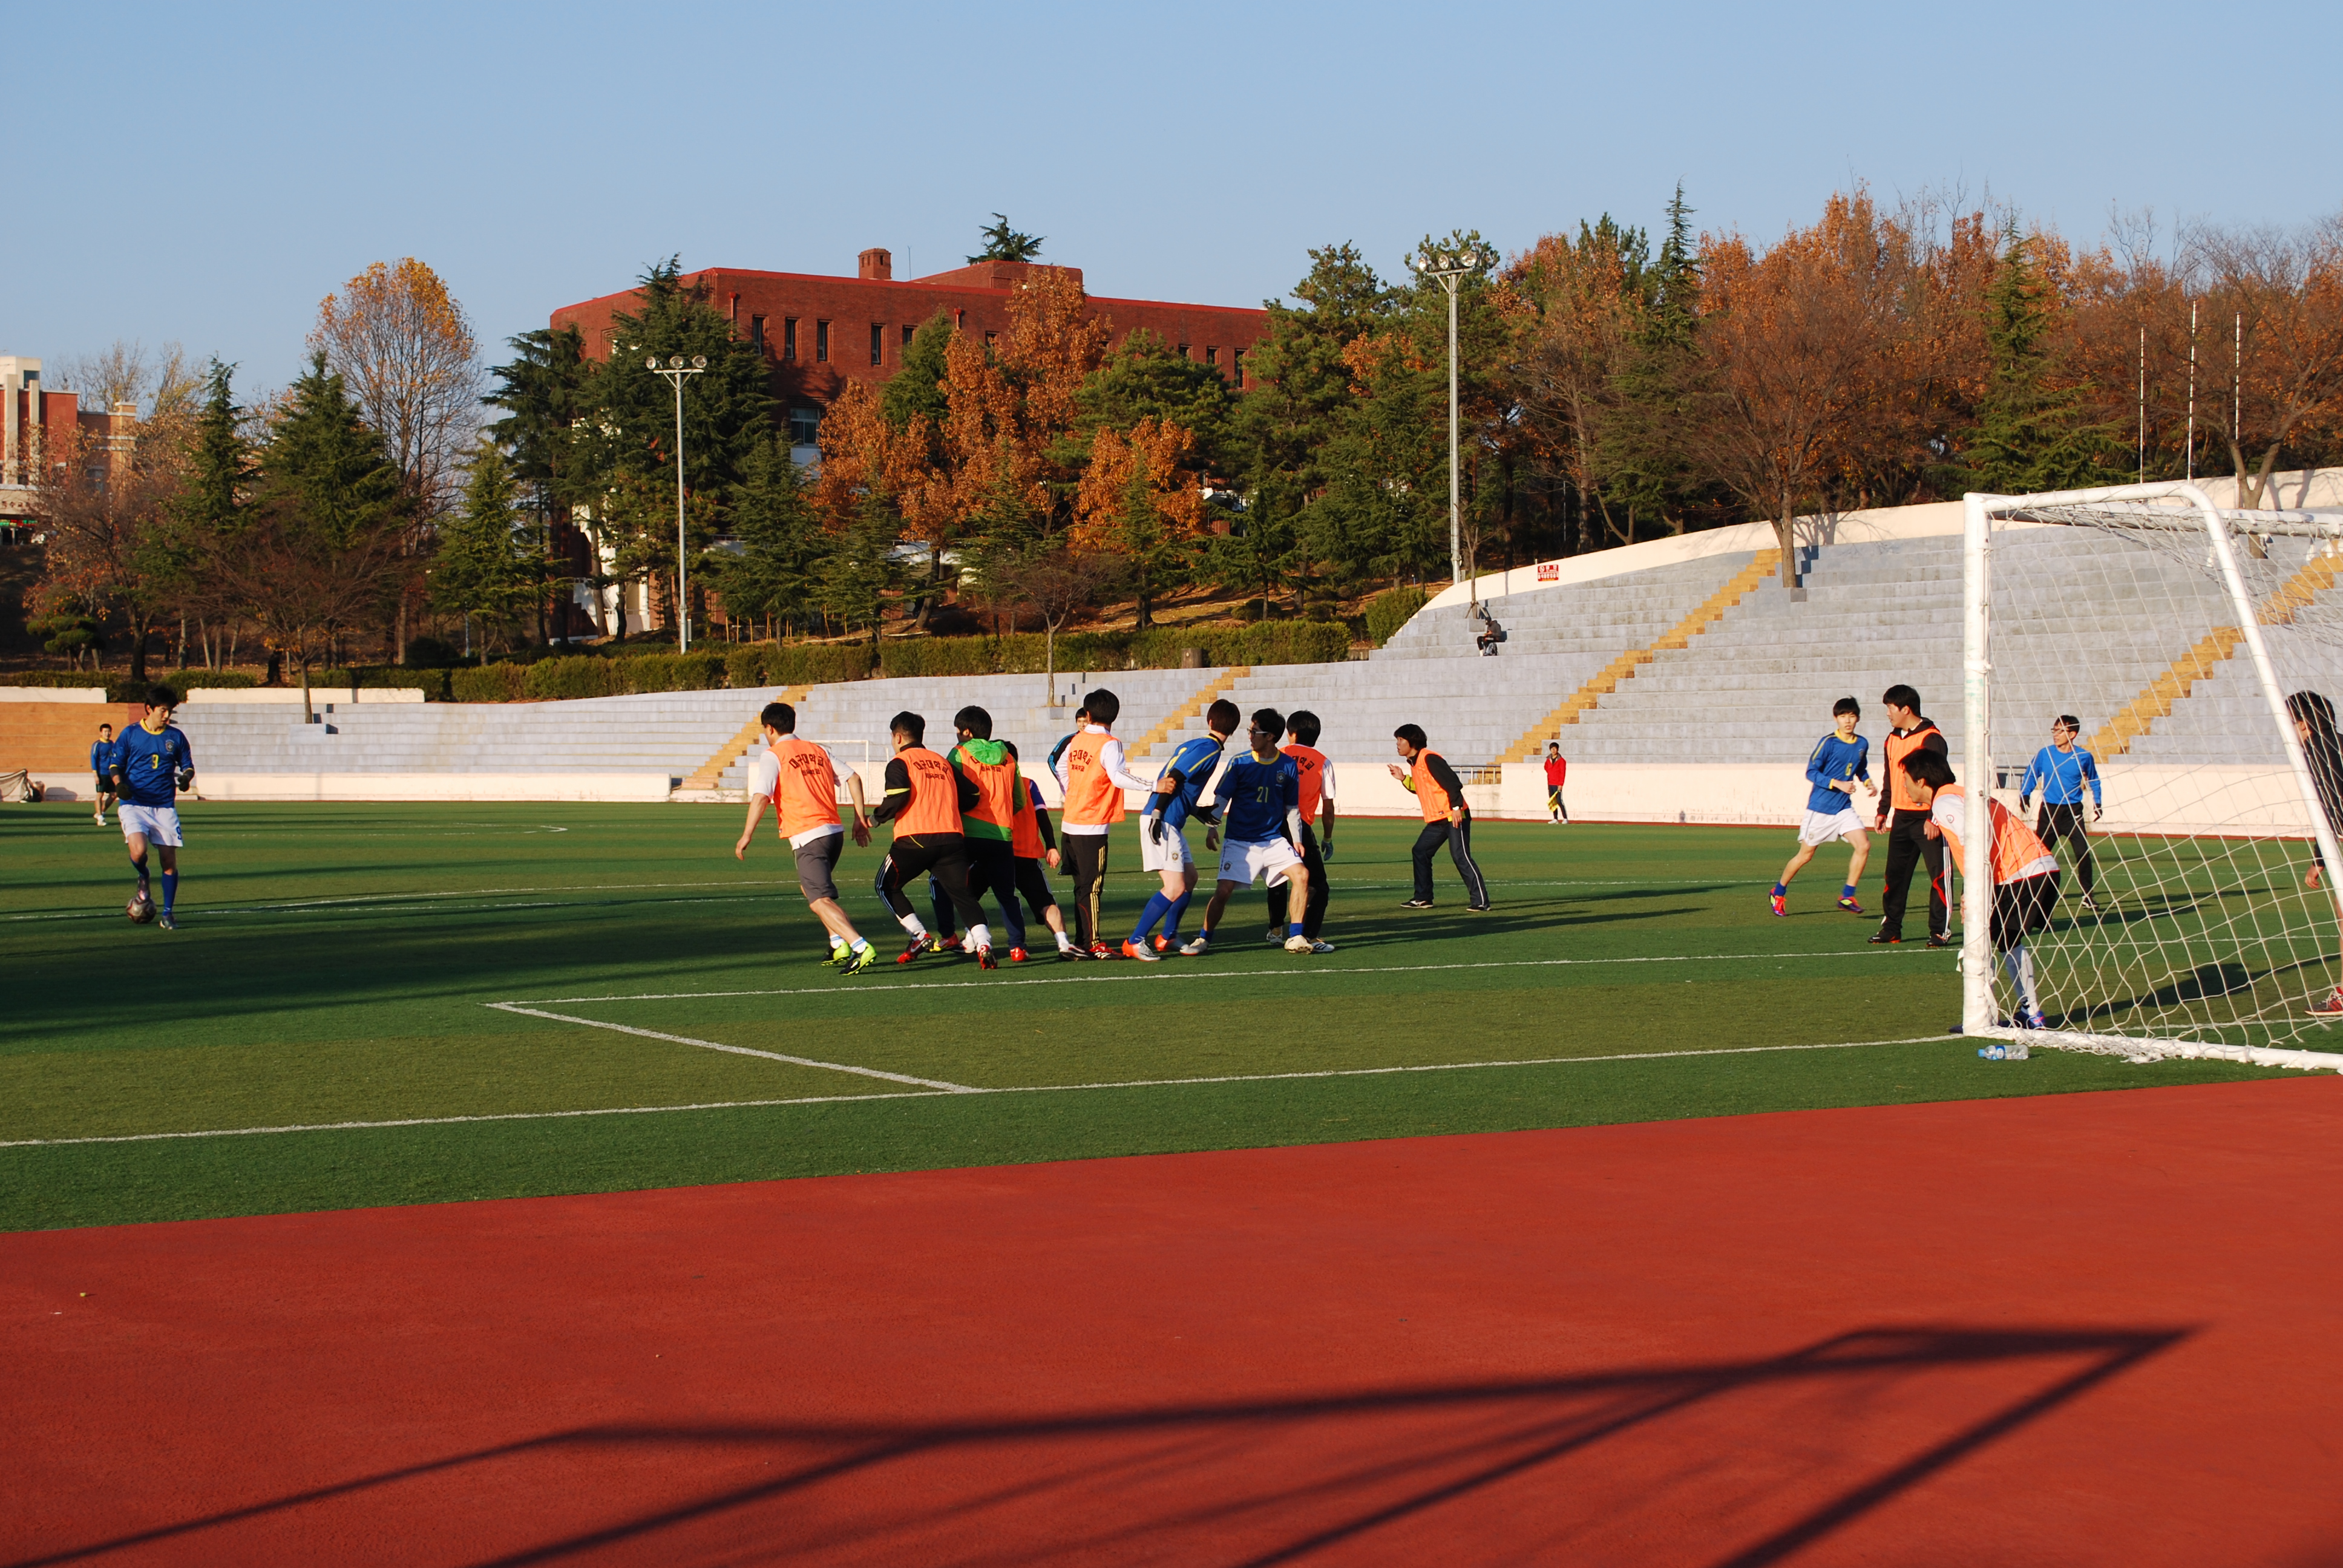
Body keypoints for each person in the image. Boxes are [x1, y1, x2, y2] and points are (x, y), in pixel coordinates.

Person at [1900, 749, 2060, 1042]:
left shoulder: (1945, 802)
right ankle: (2029, 1013)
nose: (1905, 786)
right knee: (2005, 941)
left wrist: (1975, 893)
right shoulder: (1959, 795)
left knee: (1983, 939)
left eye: (1906, 779)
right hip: (2035, 866)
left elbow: (1978, 839)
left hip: (2019, 871)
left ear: (1921, 781)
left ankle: (1986, 1015)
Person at [733, 700, 879, 976]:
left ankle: (859, 946)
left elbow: (762, 796)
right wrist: (859, 819)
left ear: (770, 728)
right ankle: (837, 943)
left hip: (809, 835)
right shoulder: (818, 750)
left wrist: (746, 835)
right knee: (810, 889)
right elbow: (854, 778)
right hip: (833, 832)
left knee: (819, 900)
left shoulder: (773, 755)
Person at [1178, 708, 1319, 956]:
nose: (1250, 736)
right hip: (1239, 841)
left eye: (1255, 732)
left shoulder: (1287, 766)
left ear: (1271, 737)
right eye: (1250, 731)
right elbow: (1221, 799)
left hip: (1273, 840)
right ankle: (1204, 938)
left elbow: (1292, 808)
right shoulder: (1240, 762)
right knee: (1223, 891)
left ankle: (1296, 936)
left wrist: (1297, 840)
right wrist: (1212, 828)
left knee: (1303, 875)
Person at [944, 706, 1075, 964]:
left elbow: (952, 790)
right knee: (1009, 897)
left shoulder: (960, 753)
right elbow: (1022, 803)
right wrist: (1048, 843)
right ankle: (1020, 946)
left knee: (960, 890)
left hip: (972, 834)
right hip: (1007, 841)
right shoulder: (1016, 769)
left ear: (966, 732)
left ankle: (964, 937)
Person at [870, 711, 997, 968]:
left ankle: (919, 936)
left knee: (886, 885)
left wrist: (875, 819)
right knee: (963, 896)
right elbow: (973, 794)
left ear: (898, 737)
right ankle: (984, 943)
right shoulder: (941, 761)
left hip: (915, 839)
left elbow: (899, 795)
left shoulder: (900, 761)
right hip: (951, 839)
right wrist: (948, 807)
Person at [1124, 699, 1240, 961]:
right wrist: (1157, 813)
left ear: (1210, 721)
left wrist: (1198, 811)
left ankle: (1168, 936)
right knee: (1175, 887)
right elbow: (1174, 777)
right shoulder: (1210, 749)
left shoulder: (1194, 744)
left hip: (1170, 819)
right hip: (1163, 818)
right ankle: (1135, 941)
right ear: (1234, 729)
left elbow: (1182, 786)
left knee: (1189, 879)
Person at [1054, 688, 1157, 959]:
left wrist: (1072, 793)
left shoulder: (1076, 739)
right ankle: (1093, 943)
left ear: (1087, 715)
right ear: (1114, 715)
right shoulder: (1110, 743)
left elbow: (1060, 767)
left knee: (1082, 887)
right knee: (1092, 887)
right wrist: (1154, 785)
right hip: (1092, 825)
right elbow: (1118, 776)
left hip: (1070, 823)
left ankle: (1083, 940)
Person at [1772, 697, 1875, 918]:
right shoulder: (1828, 743)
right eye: (1843, 716)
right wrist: (1837, 783)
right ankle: (1778, 892)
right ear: (1835, 718)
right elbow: (1811, 772)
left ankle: (1847, 896)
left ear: (1858, 718)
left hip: (1843, 808)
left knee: (1864, 845)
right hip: (1820, 809)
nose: (1847, 721)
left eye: (1852, 716)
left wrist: (1868, 783)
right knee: (1805, 856)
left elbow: (1860, 767)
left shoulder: (1862, 743)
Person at [1870, 684, 1950, 947]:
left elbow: (1942, 781)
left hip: (1928, 819)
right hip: (1901, 819)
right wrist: (1884, 809)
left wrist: (1933, 817)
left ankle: (1939, 931)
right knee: (1895, 877)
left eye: (1890, 708)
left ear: (1906, 709)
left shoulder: (1931, 738)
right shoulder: (1891, 739)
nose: (1888, 714)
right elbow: (1890, 776)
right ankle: (1892, 928)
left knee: (1939, 877)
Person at [110, 687, 193, 931]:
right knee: (138, 852)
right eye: (163, 711)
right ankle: (143, 876)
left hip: (164, 806)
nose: (167, 716)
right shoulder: (131, 734)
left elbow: (188, 766)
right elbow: (115, 765)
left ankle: (168, 914)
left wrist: (186, 779)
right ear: (149, 709)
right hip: (134, 803)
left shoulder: (176, 737)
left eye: (170, 711)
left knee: (168, 862)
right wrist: (120, 786)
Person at [2284, 692, 2343, 1015]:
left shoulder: (2320, 750)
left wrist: (2319, 860)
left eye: (2288, 721)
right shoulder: (2336, 742)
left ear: (2304, 723)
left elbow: (2333, 807)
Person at [1389, 724, 1490, 911]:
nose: (1397, 744)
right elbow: (1420, 788)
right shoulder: (1414, 763)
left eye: (1400, 740)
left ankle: (1481, 901)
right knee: (1420, 851)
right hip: (1437, 819)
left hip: (1454, 816)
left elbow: (1453, 783)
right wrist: (1403, 778)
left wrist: (1456, 807)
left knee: (1460, 857)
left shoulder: (1429, 758)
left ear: (1412, 741)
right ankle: (1423, 898)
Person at [1264, 708, 1335, 953]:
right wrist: (1327, 837)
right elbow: (1328, 806)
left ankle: (1276, 930)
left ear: (1291, 733)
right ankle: (1310, 935)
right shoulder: (1323, 762)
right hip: (1300, 826)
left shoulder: (1277, 754)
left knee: (1278, 877)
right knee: (1317, 885)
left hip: (1271, 824)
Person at [2019, 715, 2103, 913]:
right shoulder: (2045, 754)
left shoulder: (2084, 757)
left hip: (2073, 812)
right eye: (2054, 730)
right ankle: (2028, 893)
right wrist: (2025, 793)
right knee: (2038, 855)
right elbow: (2032, 773)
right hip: (2049, 812)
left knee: (2082, 853)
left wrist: (2098, 802)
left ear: (2072, 734)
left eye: (2060, 731)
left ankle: (2088, 895)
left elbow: (2094, 780)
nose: (2055, 735)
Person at [90, 722, 119, 827]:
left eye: (109, 731)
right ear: (101, 733)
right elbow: (93, 759)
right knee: (100, 794)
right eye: (105, 732)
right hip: (101, 773)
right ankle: (100, 819)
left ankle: (100, 813)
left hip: (111, 773)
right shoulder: (97, 745)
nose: (108, 734)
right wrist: (95, 774)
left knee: (114, 794)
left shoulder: (112, 744)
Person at [1542, 742, 1568, 825]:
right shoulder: (1548, 759)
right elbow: (1546, 767)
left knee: (1559, 801)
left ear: (1557, 749)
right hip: (1550, 783)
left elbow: (1563, 773)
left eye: (1555, 749)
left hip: (1557, 784)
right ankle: (1555, 818)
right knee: (1553, 802)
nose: (1553, 750)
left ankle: (1565, 818)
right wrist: (1551, 773)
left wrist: (1561, 784)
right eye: (1552, 749)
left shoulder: (1562, 761)